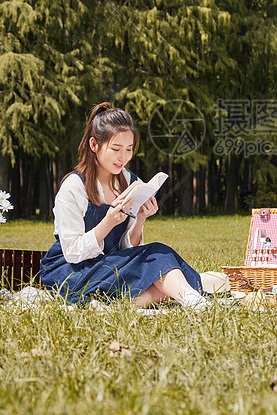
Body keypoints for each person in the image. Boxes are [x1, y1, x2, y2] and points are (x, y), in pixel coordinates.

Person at [40, 102, 209, 310]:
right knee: (158, 263)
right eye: (116, 149)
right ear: (94, 145)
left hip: (109, 264)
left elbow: (127, 249)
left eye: (129, 149)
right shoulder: (74, 187)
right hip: (71, 269)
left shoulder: (128, 181)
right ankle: (193, 299)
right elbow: (72, 252)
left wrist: (139, 220)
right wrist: (107, 223)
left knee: (160, 261)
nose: (123, 157)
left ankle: (178, 300)